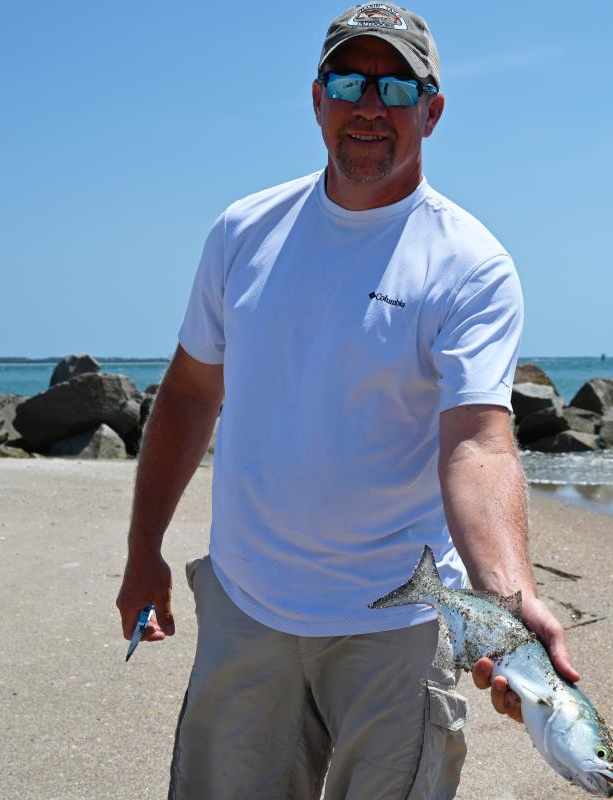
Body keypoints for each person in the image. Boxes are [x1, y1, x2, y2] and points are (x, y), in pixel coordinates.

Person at [114, 4, 577, 798]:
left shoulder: (470, 264)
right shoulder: (242, 232)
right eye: (348, 80)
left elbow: (478, 442)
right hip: (247, 607)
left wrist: (510, 597)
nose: (369, 105)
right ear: (316, 97)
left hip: (396, 632)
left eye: (396, 85)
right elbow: (192, 391)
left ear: (432, 110)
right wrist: (143, 549)